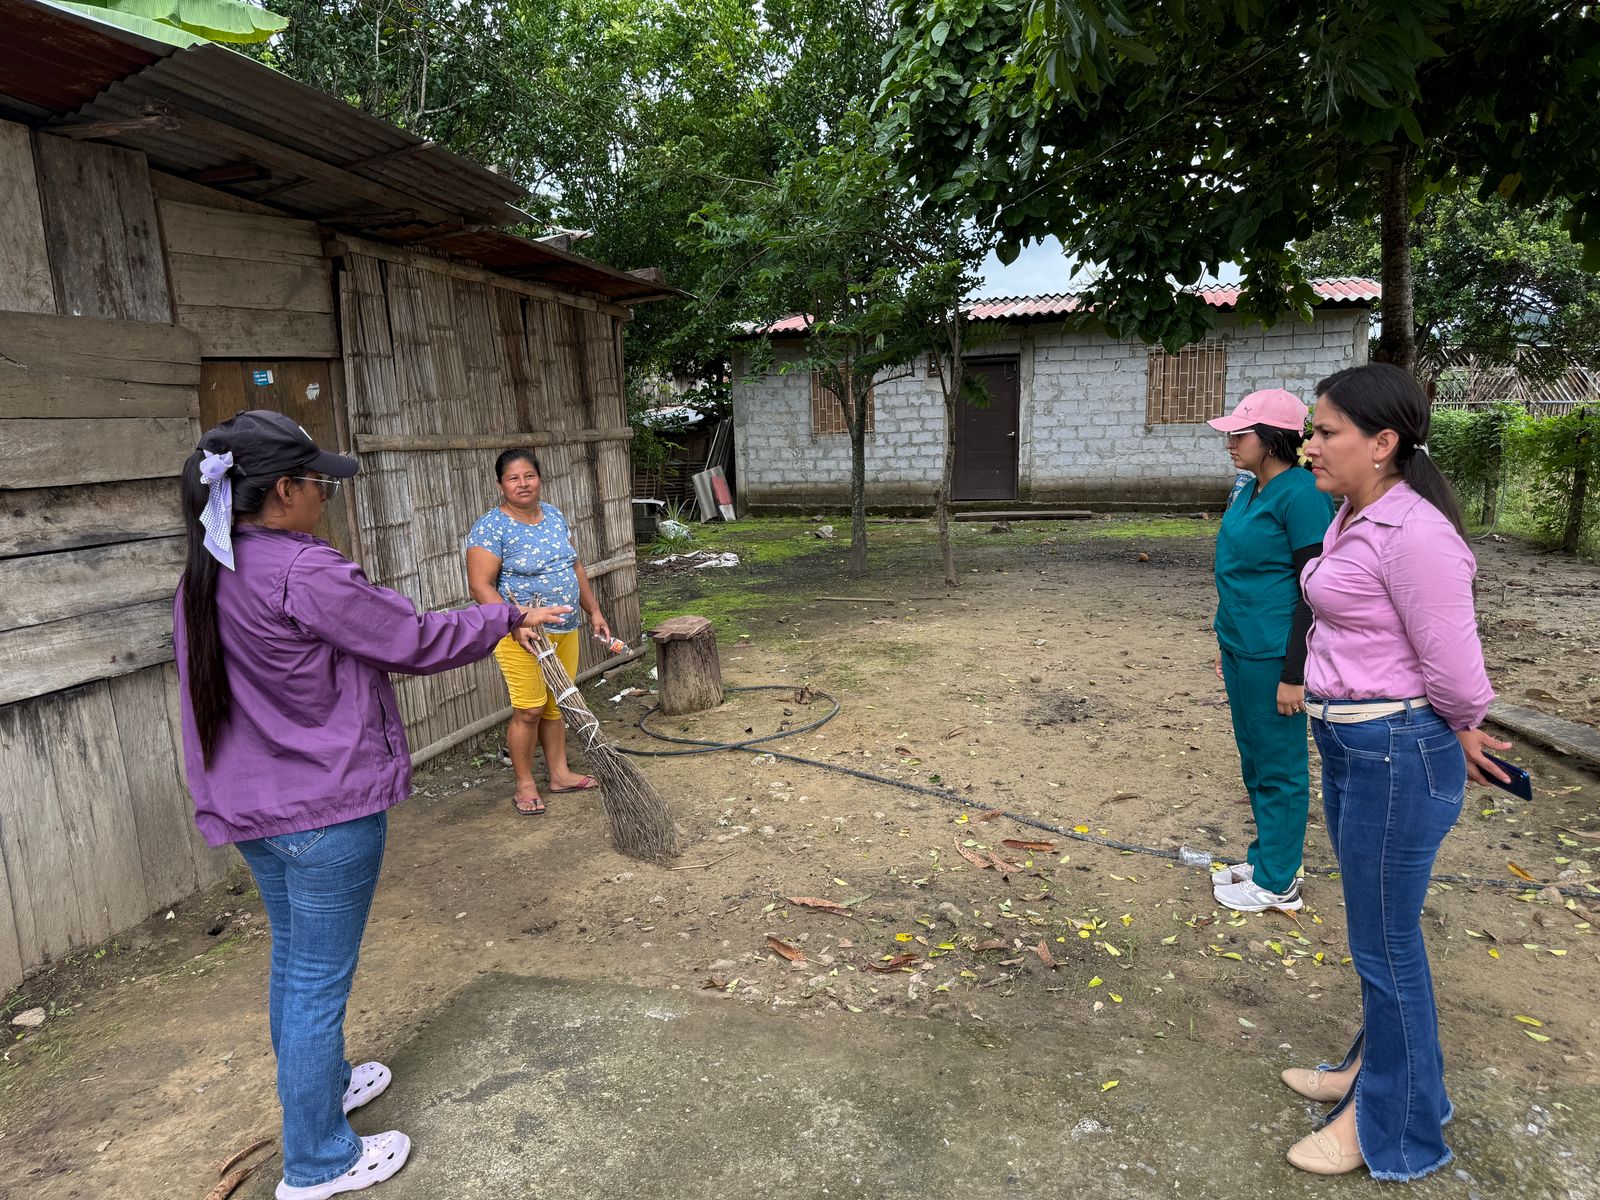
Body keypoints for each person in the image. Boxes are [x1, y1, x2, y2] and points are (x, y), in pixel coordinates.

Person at [173, 411, 569, 1200]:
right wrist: (505, 615)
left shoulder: (208, 570)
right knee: (317, 980)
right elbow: (410, 638)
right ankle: (318, 1160)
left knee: (297, 962)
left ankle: (322, 1088)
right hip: (323, 806)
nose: (326, 496)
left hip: (256, 807)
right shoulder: (301, 570)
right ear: (283, 490)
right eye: (319, 483)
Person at [1280, 363, 1510, 1179]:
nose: (1310, 446)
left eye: (1326, 432)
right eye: (1310, 430)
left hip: (1396, 750)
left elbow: (1456, 669)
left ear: (1382, 443)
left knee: (1386, 946)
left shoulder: (1417, 535)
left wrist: (1465, 728)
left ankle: (1396, 1129)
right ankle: (1377, 1073)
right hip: (1354, 744)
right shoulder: (1354, 515)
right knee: (1376, 935)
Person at [1206, 389, 1335, 912]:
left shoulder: (1302, 494)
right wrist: (1226, 642)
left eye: (1241, 434)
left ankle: (1280, 882)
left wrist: (1294, 674)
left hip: (1275, 653)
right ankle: (1266, 860)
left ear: (1274, 438)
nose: (1231, 443)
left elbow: (1315, 590)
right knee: (1255, 759)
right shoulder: (1248, 488)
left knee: (1280, 765)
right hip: (1240, 643)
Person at [466, 449, 612, 815]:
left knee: (557, 703)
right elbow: (480, 585)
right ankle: (525, 784)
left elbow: (574, 566)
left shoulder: (554, 515)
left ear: (540, 479)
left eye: (529, 475)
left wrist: (594, 610)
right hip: (522, 635)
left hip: (564, 627)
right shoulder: (491, 527)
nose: (523, 484)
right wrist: (515, 623)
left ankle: (559, 774)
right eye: (513, 478)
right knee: (529, 709)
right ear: (500, 485)